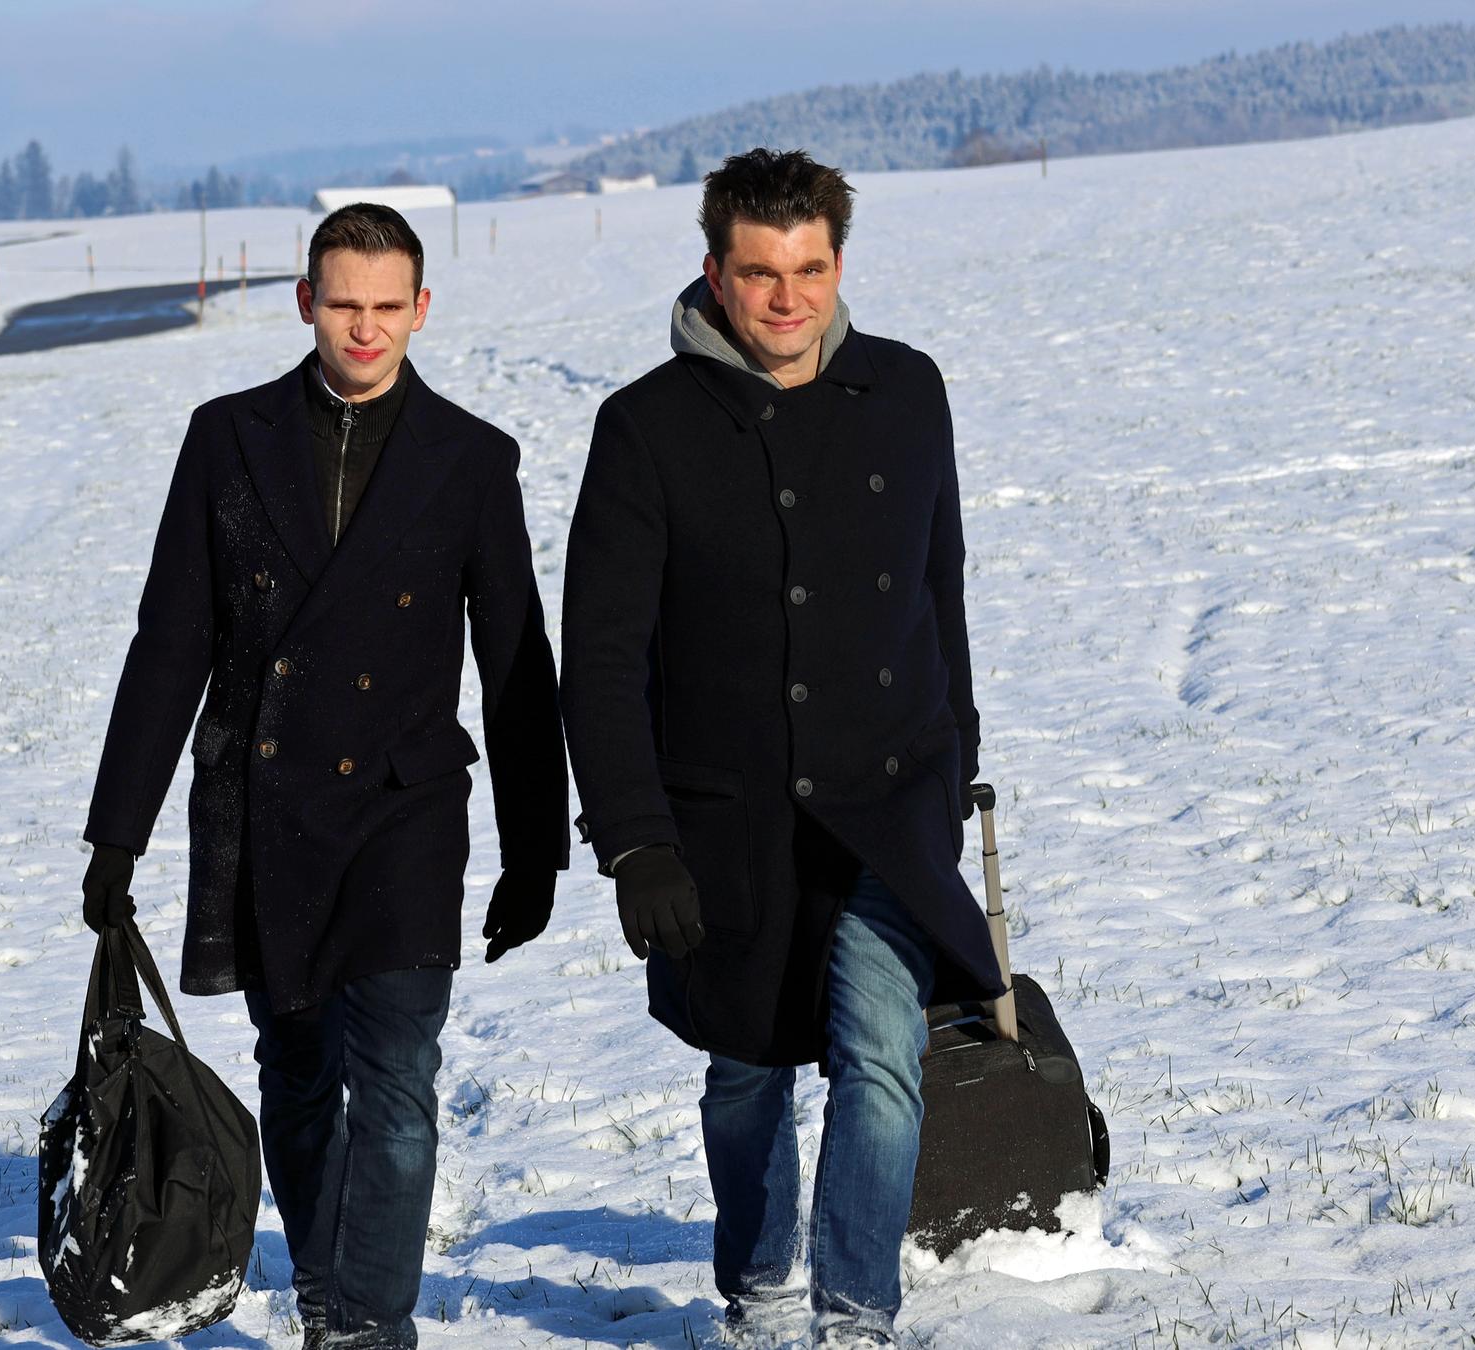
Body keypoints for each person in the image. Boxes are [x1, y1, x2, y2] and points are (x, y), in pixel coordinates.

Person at [80, 202, 568, 1349]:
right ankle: (325, 1294)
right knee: (297, 1075)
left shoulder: (471, 459)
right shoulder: (227, 439)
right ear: (305, 302)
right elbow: (171, 642)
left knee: (397, 1079)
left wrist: (536, 847)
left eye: (386, 306)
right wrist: (117, 836)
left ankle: (367, 1327)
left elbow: (514, 664)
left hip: (404, 812)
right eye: (342, 303)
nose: (364, 328)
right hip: (267, 803)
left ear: (421, 310)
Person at [560, 149, 1003, 1348]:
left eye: (810, 269)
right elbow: (600, 657)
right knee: (746, 1074)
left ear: (838, 263)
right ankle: (759, 1293)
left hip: (885, 798)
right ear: (715, 271)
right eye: (760, 274)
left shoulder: (907, 392)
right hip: (724, 821)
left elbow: (937, 584)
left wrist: (956, 753)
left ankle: (855, 1316)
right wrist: (635, 840)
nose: (789, 299)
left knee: (882, 1054)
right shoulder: (645, 428)